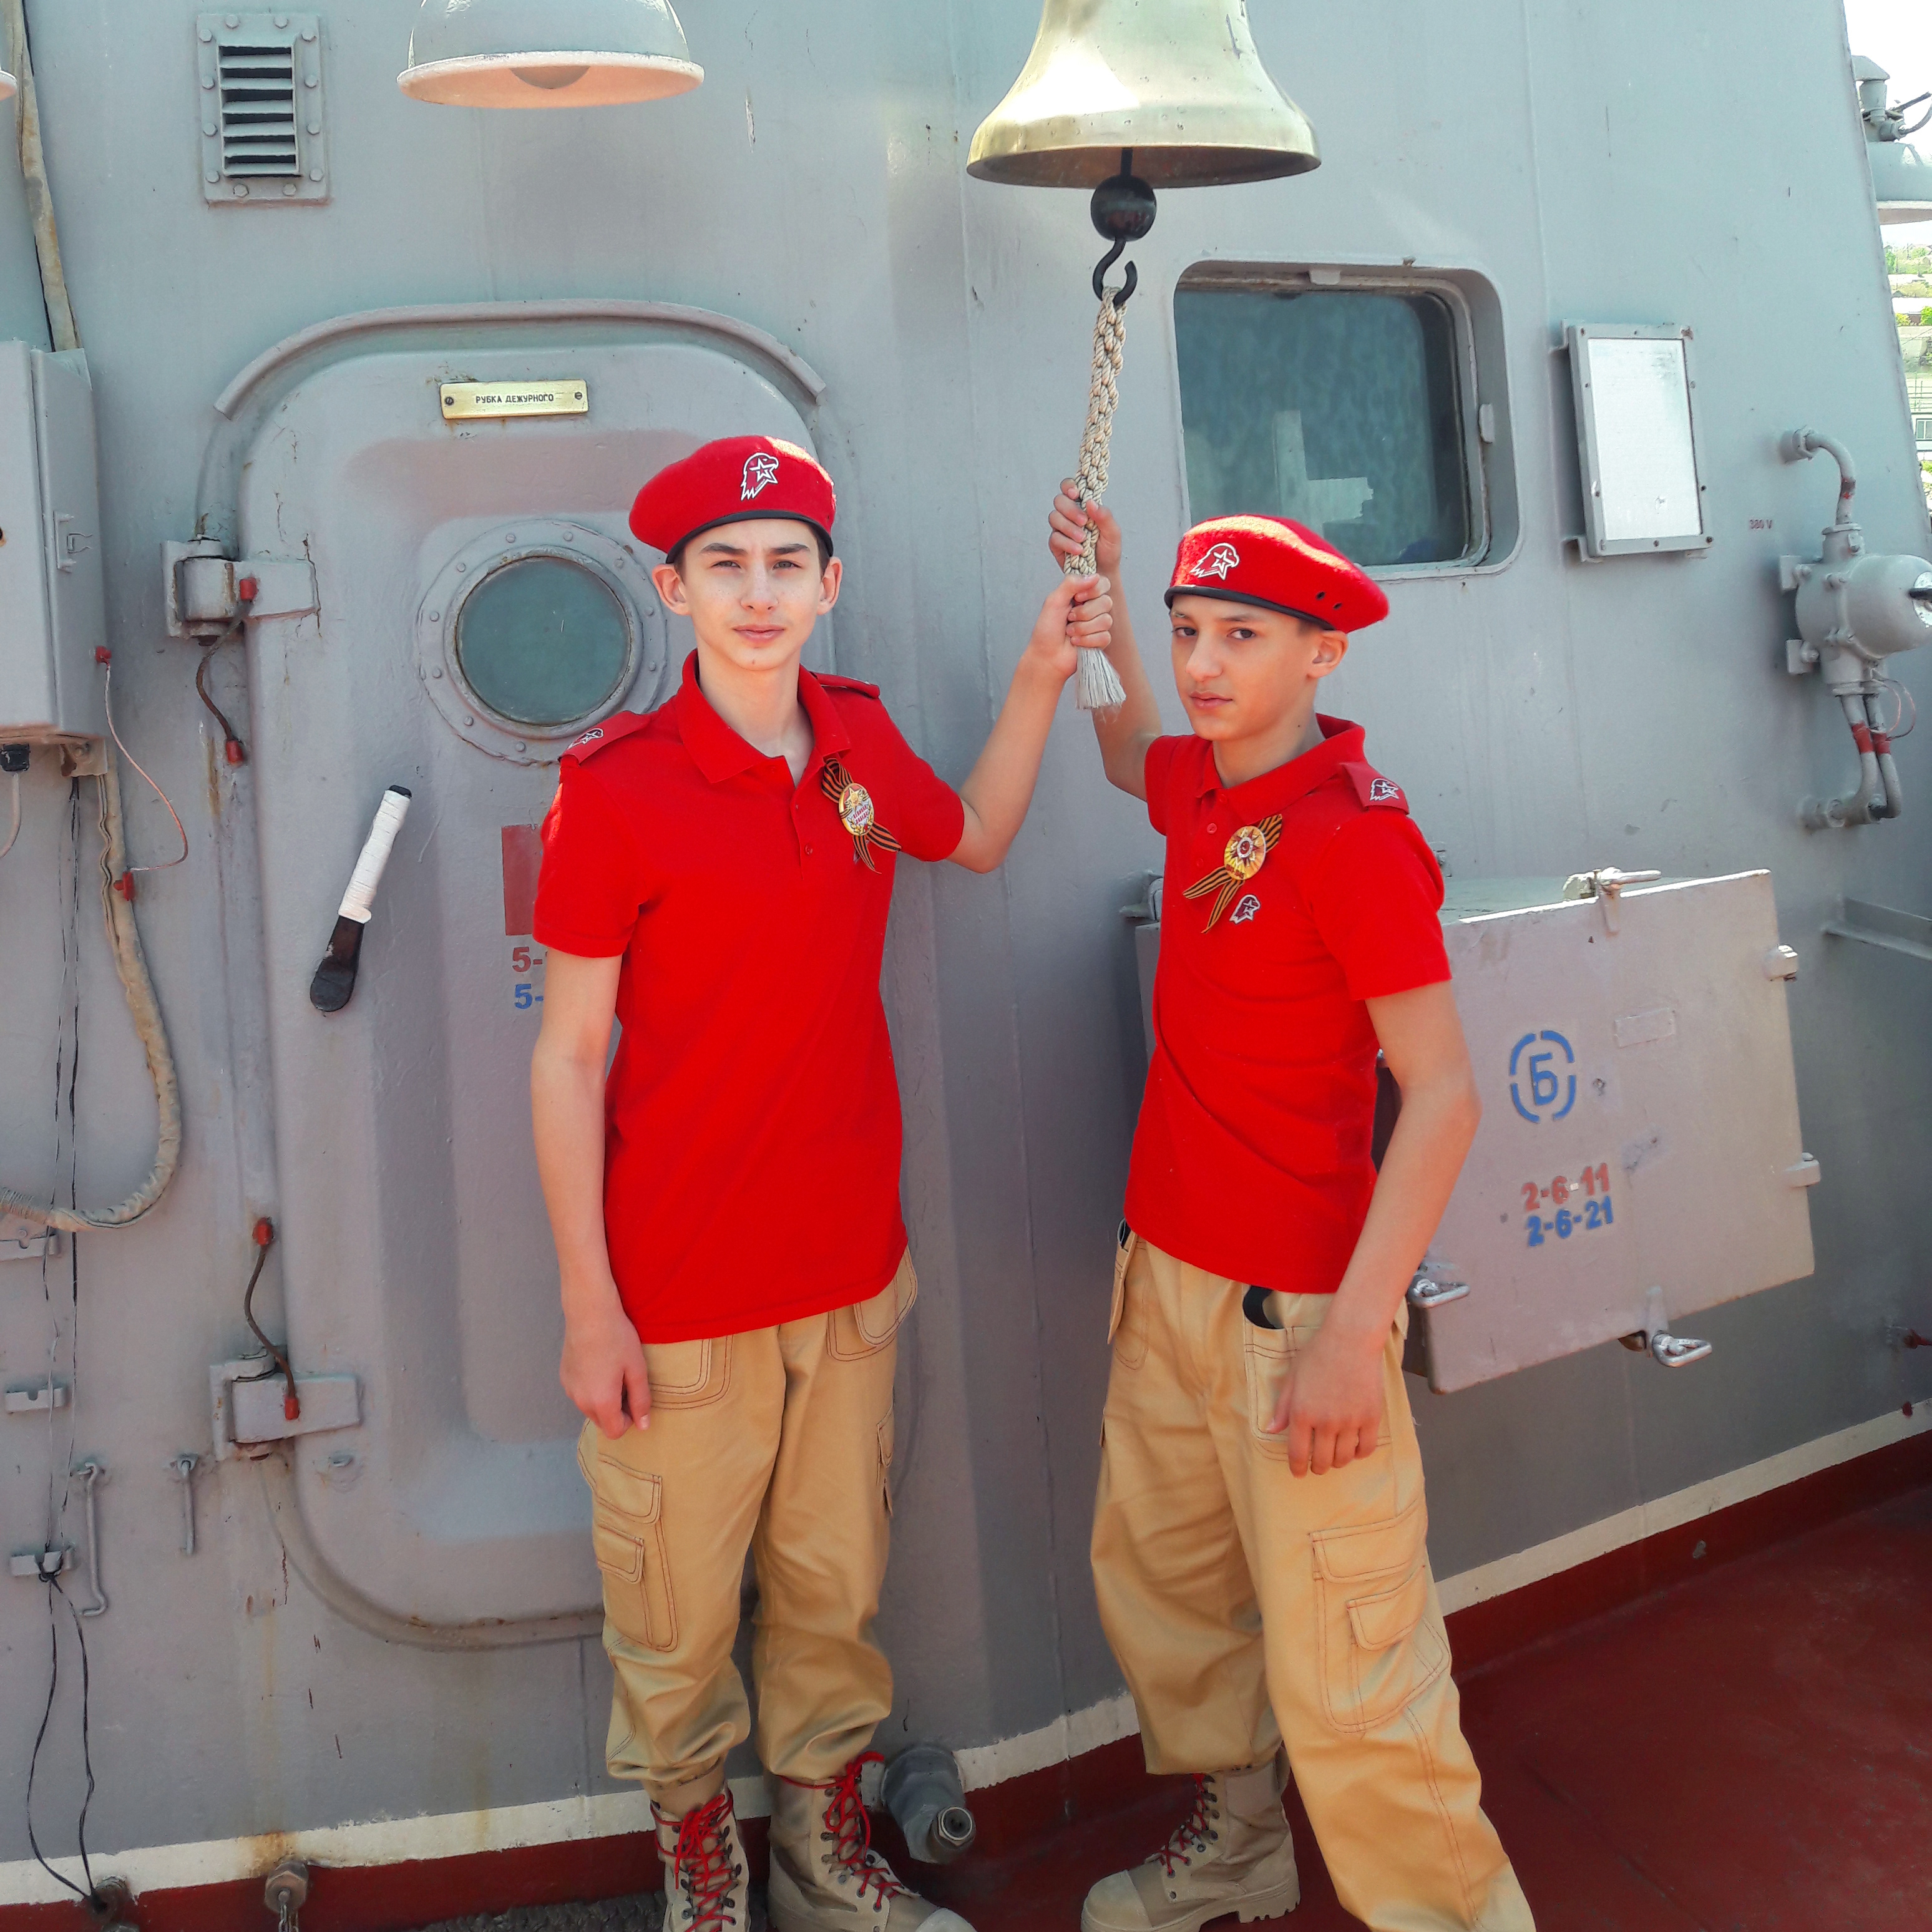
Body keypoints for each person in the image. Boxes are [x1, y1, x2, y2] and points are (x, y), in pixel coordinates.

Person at [531, 435, 1109, 1932]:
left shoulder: (856, 739)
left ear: (829, 584)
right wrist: (590, 1308)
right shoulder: (615, 792)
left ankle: (823, 1865)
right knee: (672, 1622)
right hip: (679, 1295)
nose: (759, 592)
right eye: (724, 565)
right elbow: (569, 1060)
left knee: (830, 1598)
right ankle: (704, 1876)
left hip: (851, 1272)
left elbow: (972, 837)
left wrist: (1043, 671)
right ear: (674, 591)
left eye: (787, 563)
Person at [1048, 490, 1535, 1932]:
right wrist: (1110, 604)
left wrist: (1351, 1340)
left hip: (1296, 1317)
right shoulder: (1201, 783)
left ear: (1323, 655)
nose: (1204, 664)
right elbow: (1124, 746)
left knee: (1356, 1673)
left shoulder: (1354, 840)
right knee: (1174, 1606)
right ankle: (1241, 1850)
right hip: (1166, 1283)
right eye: (1190, 631)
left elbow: (1443, 1097)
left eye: (1242, 637)